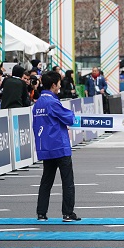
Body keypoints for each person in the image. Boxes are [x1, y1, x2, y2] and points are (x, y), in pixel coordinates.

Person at [32, 71, 81, 222]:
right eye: (59, 83)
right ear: (53, 85)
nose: (60, 85)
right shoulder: (53, 102)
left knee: (46, 180)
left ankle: (41, 213)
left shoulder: (38, 103)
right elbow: (69, 118)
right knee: (67, 181)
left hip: (45, 147)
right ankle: (67, 213)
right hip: (59, 145)